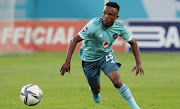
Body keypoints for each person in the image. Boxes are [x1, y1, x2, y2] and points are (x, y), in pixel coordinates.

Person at [60, 2, 144, 109]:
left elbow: (133, 43)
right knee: (96, 89)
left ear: (116, 17)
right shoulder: (93, 25)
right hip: (89, 59)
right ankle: (94, 92)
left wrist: (138, 63)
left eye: (110, 14)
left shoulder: (120, 27)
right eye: (104, 13)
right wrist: (67, 61)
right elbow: (74, 40)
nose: (106, 17)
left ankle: (136, 107)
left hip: (106, 55)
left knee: (117, 82)